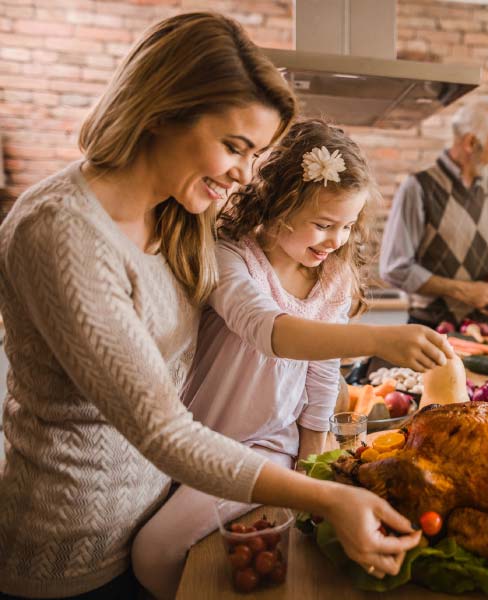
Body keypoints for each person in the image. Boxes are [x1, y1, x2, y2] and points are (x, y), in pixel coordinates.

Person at [0, 14, 428, 598]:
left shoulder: (179, 216)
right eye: (235, 147)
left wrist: (314, 449)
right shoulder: (61, 232)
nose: (245, 175)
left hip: (153, 510)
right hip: (75, 551)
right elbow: (164, 430)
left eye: (256, 154)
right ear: (162, 109)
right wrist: (327, 493)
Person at [130, 119, 452, 599]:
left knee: (153, 551)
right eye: (323, 225)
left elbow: (323, 376)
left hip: (265, 449)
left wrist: (311, 461)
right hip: (197, 442)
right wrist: (375, 339)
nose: (335, 241)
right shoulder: (230, 258)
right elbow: (267, 331)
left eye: (347, 226)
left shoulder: (333, 281)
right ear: (280, 207)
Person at [379, 96, 488, 330]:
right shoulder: (419, 188)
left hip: (487, 330)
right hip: (430, 331)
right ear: (470, 143)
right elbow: (395, 268)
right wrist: (463, 291)